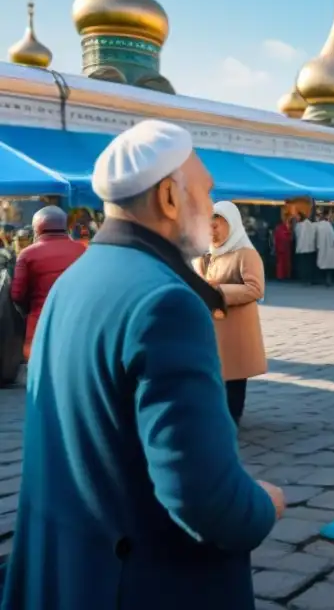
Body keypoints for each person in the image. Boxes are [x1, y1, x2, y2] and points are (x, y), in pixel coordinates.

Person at [2, 120, 284, 610]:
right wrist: (265, 503)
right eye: (205, 189)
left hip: (73, 571)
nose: (211, 203)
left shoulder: (75, 278)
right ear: (170, 199)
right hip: (142, 582)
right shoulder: (166, 301)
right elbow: (205, 499)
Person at [194, 201, 268, 425]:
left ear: (231, 225)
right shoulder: (208, 255)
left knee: (235, 374)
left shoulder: (245, 254)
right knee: (214, 372)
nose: (212, 233)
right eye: (209, 228)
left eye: (216, 227)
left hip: (236, 328)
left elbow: (255, 289)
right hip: (213, 328)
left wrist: (218, 291)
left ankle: (233, 416)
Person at [9, 206, 86, 361]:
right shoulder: (83, 250)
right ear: (65, 226)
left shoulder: (28, 254)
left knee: (39, 368)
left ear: (36, 228)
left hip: (40, 323)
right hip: (77, 322)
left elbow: (17, 295)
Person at [312, 210, 334, 286]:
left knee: (320, 263)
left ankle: (319, 279)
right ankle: (328, 280)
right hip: (330, 248)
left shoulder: (317, 225)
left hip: (321, 247)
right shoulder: (330, 226)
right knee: (329, 265)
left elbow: (315, 236)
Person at [293, 211, 316, 284]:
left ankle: (305, 279)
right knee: (308, 265)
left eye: (297, 216)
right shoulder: (309, 224)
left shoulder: (300, 225)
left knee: (304, 264)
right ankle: (308, 279)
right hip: (309, 248)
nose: (296, 218)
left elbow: (297, 236)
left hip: (302, 248)